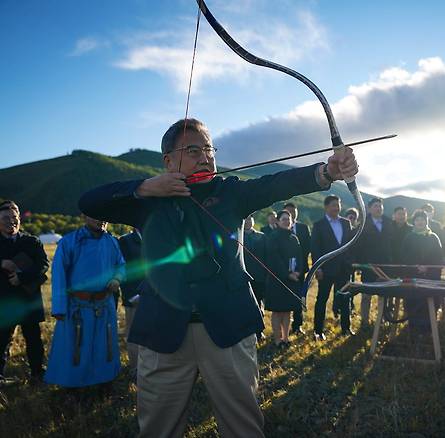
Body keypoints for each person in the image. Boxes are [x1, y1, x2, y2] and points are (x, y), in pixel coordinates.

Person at [78, 118, 358, 437]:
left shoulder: (230, 192)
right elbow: (88, 202)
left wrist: (326, 172)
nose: (206, 156)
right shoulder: (147, 202)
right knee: (157, 427)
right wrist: (144, 187)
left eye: (209, 149)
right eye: (193, 149)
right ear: (168, 160)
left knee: (243, 426)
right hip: (163, 328)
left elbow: (276, 184)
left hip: (228, 325)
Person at [45, 215, 124, 390]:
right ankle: (74, 387)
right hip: (78, 307)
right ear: (84, 216)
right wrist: (59, 308)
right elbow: (59, 275)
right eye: (95, 216)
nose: (102, 220)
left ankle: (103, 382)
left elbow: (120, 265)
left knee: (104, 346)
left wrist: (117, 278)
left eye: (104, 216)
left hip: (104, 305)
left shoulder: (112, 242)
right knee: (77, 346)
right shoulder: (69, 242)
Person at [0, 200, 49, 385]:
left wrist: (22, 277)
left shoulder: (32, 241)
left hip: (29, 299)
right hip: (4, 301)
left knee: (34, 339)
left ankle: (37, 373)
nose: (11, 221)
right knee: (2, 339)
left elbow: (43, 265)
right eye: (5, 218)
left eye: (14, 217)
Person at [311, 195, 354, 339]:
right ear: (326, 207)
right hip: (326, 269)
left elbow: (350, 246)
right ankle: (318, 331)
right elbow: (315, 249)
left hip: (343, 269)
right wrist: (318, 268)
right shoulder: (319, 225)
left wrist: (350, 263)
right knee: (322, 299)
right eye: (333, 205)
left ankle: (346, 329)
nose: (336, 208)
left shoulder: (346, 223)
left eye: (338, 205)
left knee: (345, 298)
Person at [400, 210, 443, 331]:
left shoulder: (433, 237)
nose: (420, 222)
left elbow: (439, 257)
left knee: (429, 302)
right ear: (414, 222)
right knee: (414, 301)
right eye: (417, 220)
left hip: (431, 276)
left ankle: (430, 327)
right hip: (413, 275)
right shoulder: (409, 237)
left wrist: (428, 268)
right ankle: (413, 326)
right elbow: (404, 256)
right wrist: (415, 266)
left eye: (422, 219)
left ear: (426, 221)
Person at [264, 210, 302, 347]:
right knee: (277, 311)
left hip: (292, 279)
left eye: (289, 219)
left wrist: (298, 271)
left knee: (287, 310)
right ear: (278, 221)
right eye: (284, 219)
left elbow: (299, 256)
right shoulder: (273, 237)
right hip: (277, 279)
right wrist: (287, 274)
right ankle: (277, 339)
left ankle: (286, 338)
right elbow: (274, 259)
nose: (287, 221)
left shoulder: (294, 237)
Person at [355, 198, 393, 327]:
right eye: (376, 206)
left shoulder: (389, 222)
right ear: (369, 208)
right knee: (366, 294)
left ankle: (383, 319)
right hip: (368, 265)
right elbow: (358, 245)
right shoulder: (363, 223)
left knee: (384, 294)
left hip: (386, 264)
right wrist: (361, 263)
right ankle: (364, 321)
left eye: (380, 206)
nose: (379, 208)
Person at [118, 227, 143, 375]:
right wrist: (130, 295)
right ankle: (135, 368)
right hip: (134, 296)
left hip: (155, 295)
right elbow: (123, 270)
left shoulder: (156, 236)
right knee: (134, 334)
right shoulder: (125, 241)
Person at [284, 202, 311, 334]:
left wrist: (299, 267)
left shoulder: (303, 228)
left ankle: (297, 325)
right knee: (285, 297)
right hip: (283, 271)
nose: (292, 214)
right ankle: (284, 326)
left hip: (300, 269)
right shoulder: (280, 228)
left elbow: (307, 248)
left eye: (294, 211)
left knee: (299, 296)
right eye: (289, 212)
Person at [243, 215, 267, 312]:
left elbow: (267, 256)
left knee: (257, 302)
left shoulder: (262, 236)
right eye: (245, 219)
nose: (248, 221)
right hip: (243, 276)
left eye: (249, 218)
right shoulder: (235, 236)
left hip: (259, 276)